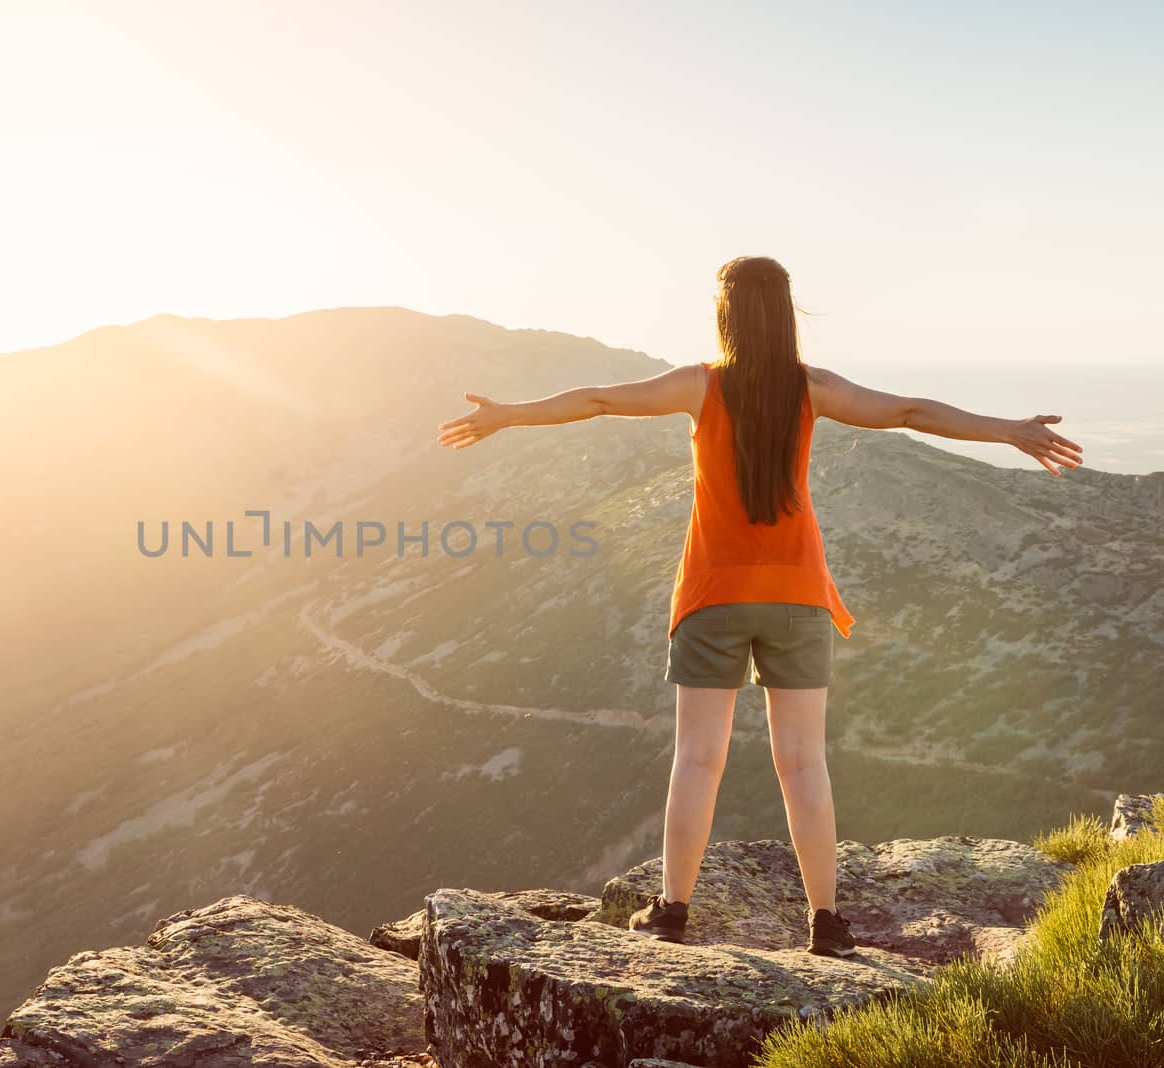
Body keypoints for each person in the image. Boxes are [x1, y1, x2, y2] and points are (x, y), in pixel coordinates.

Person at [434, 254, 1083, 957]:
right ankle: (828, 924)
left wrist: (509, 416)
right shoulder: (813, 388)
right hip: (799, 596)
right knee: (804, 764)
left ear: (726, 313)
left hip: (713, 595)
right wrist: (1010, 430)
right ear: (785, 311)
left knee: (697, 758)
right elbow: (909, 412)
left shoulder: (700, 385)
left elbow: (594, 399)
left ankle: (672, 911)